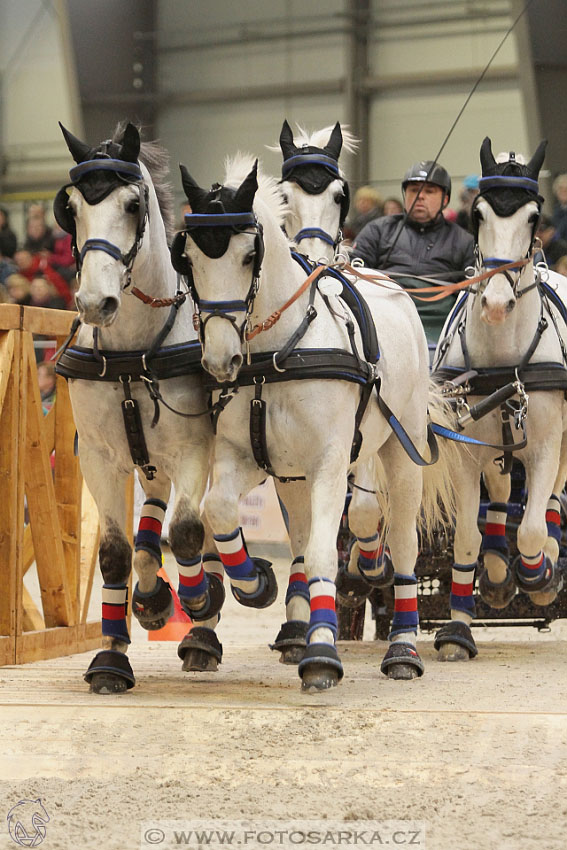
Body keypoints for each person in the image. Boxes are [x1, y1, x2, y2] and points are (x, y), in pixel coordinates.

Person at [350, 159, 475, 344]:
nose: (420, 197)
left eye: (429, 191)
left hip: (444, 330)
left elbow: (472, 293)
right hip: (382, 324)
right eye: (414, 190)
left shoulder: (464, 240)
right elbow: (353, 274)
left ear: (445, 200)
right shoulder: (376, 230)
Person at [551, 173, 567, 242]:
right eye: (560, 190)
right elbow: (555, 224)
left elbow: (561, 229)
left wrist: (553, 234)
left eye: (566, 190)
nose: (563, 193)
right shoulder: (557, 208)